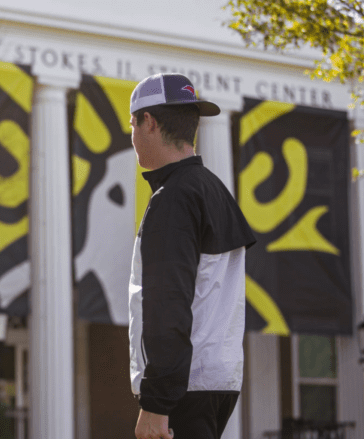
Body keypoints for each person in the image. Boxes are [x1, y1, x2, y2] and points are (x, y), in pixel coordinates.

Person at [127, 73, 256, 439]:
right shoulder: (213, 189)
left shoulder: (173, 198)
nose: (133, 136)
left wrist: (156, 403)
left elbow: (168, 302)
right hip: (217, 382)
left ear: (148, 122)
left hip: (183, 391)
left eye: (132, 124)